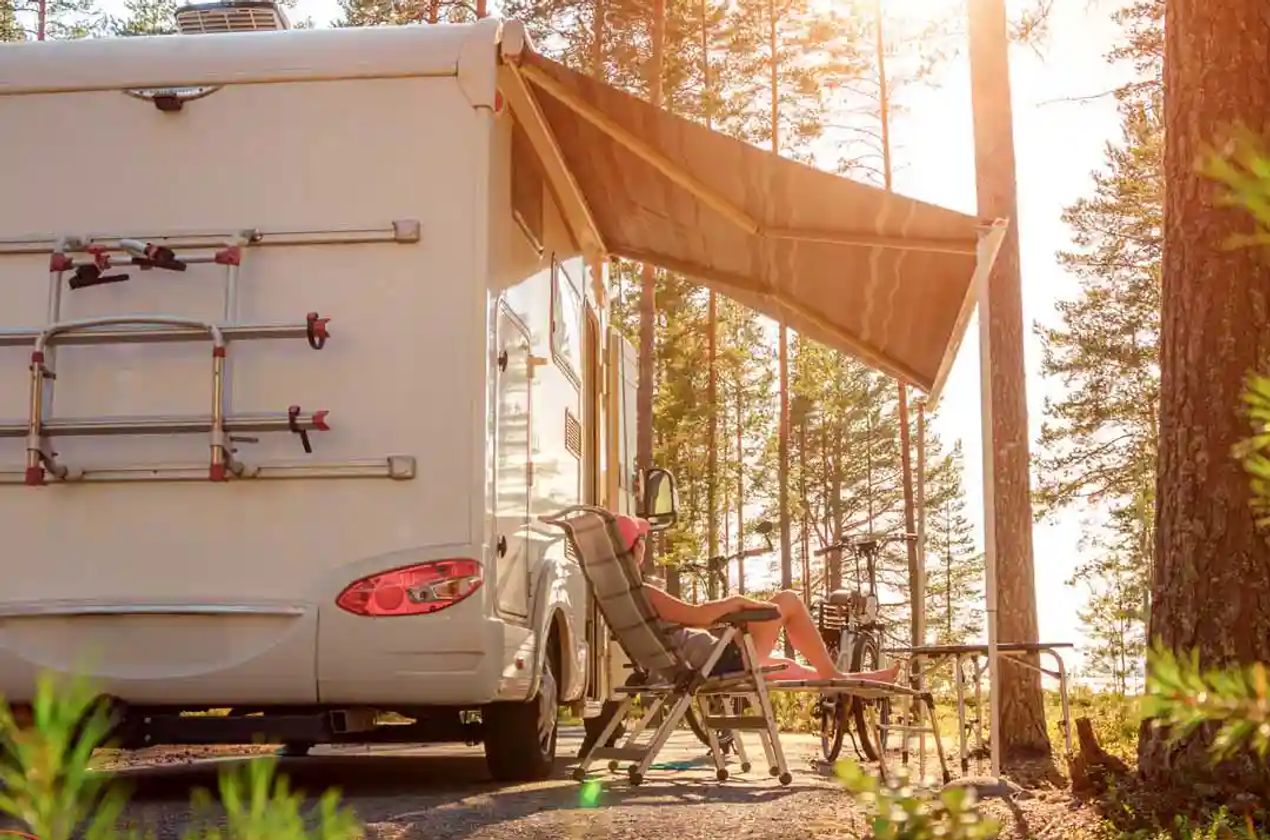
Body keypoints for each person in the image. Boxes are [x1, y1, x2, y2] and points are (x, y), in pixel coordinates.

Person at [615, 514, 900, 684]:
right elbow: (698, 616)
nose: (644, 546)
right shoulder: (643, 591)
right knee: (788, 600)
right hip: (718, 662)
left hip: (705, 660)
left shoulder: (625, 595)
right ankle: (834, 676)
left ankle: (849, 679)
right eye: (641, 541)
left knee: (787, 667)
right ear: (635, 548)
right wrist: (736, 602)